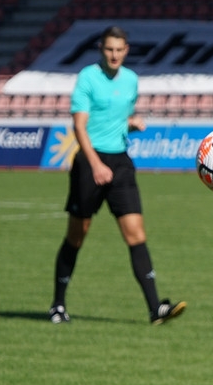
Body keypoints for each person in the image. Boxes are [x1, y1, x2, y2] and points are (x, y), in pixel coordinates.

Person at [50, 25, 185, 325]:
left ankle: (155, 309)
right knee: (77, 235)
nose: (114, 55)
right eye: (109, 49)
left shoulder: (131, 80)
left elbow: (115, 118)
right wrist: (95, 164)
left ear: (126, 50)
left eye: (119, 50)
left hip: (121, 161)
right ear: (101, 49)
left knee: (136, 234)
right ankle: (57, 305)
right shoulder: (87, 78)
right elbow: (80, 126)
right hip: (90, 161)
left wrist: (130, 124)